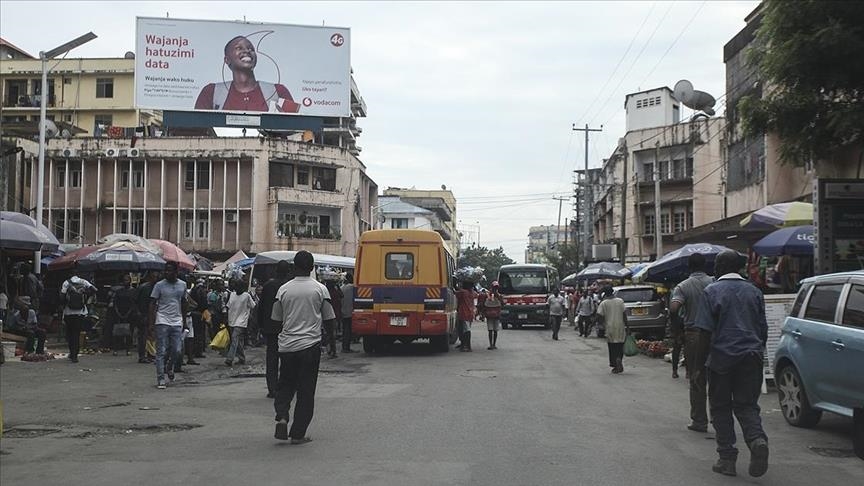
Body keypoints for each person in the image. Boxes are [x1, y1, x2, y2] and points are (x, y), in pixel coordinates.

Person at [694, 250, 769, 478]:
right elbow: (762, 329)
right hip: (751, 357)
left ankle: (727, 458)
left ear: (720, 267)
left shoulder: (711, 292)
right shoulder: (754, 291)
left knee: (720, 407)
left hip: (721, 359)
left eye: (716, 264)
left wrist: (697, 367)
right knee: (747, 405)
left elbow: (704, 332)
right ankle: (757, 440)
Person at [270, 251, 336, 444]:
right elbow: (329, 319)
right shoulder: (320, 289)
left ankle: (282, 416)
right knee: (306, 391)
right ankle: (298, 434)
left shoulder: (283, 290)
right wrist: (332, 343)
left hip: (287, 346)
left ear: (294, 267)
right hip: (310, 346)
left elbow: (276, 320)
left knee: (285, 385)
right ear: (312, 267)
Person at [194, 35, 300, 113]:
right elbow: (198, 129)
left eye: (251, 49)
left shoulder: (278, 91)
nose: (247, 51)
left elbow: (294, 130)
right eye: (239, 48)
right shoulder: (211, 92)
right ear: (227, 60)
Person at [669, 253, 714, 432]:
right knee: (717, 379)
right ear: (705, 266)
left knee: (697, 377)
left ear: (689, 267)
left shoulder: (683, 286)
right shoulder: (715, 283)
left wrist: (677, 330)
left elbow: (674, 308)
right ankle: (719, 419)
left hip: (694, 335)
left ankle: (700, 420)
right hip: (716, 335)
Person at [149, 262, 188, 389]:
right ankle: (161, 378)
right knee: (161, 350)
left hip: (176, 321)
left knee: (177, 350)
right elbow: (152, 303)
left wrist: (184, 320)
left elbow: (184, 302)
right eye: (166, 270)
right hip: (162, 320)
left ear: (176, 272)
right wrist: (151, 323)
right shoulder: (159, 285)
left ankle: (169, 366)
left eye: (170, 270)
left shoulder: (182, 285)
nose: (167, 273)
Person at [260, 260, 292, 398]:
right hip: (287, 328)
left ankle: (272, 388)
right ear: (288, 272)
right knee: (288, 359)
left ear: (275, 271)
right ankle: (286, 387)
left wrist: (261, 326)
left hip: (271, 328)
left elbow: (261, 308)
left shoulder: (268, 286)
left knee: (272, 359)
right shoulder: (289, 287)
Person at [60, 273, 96, 363]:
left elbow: (62, 297)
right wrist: (86, 297)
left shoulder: (66, 283)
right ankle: (75, 355)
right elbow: (95, 289)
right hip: (81, 312)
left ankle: (72, 353)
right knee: (76, 333)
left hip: (68, 312)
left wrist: (64, 305)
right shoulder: (83, 282)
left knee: (70, 333)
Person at [225, 278, 257, 367]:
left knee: (234, 339)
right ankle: (242, 358)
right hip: (231, 320)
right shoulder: (232, 295)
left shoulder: (247, 296)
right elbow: (228, 306)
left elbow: (253, 306)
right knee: (238, 341)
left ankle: (229, 358)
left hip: (241, 322)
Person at [596, 286, 628, 373]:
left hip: (609, 327)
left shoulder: (604, 303)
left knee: (612, 347)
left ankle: (615, 363)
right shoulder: (620, 301)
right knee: (620, 345)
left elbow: (599, 315)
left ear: (605, 294)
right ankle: (619, 360)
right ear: (613, 292)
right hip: (620, 326)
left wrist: (601, 324)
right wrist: (628, 326)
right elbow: (624, 314)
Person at [109, 274, 138, 357]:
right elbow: (115, 303)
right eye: (124, 280)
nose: (126, 282)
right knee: (117, 333)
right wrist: (118, 313)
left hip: (130, 314)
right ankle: (115, 349)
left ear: (130, 281)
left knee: (129, 332)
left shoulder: (133, 291)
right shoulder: (119, 291)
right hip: (119, 314)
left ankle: (128, 349)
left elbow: (134, 304)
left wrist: (128, 313)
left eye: (127, 280)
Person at [136, 271, 159, 363]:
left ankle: (150, 354)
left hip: (152, 315)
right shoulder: (144, 287)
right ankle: (142, 356)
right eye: (154, 277)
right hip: (144, 314)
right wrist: (139, 313)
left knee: (151, 336)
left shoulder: (156, 288)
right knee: (143, 336)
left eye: (156, 277)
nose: (155, 279)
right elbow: (136, 301)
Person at [455, 281, 476, 352]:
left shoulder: (463, 292)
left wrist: (456, 286)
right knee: (464, 329)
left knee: (466, 330)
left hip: (464, 313)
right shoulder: (472, 293)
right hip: (470, 313)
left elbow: (455, 292)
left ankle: (467, 346)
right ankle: (465, 345)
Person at [323, 281, 341, 358]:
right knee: (332, 334)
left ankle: (330, 350)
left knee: (328, 334)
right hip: (334, 315)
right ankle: (332, 351)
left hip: (326, 316)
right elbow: (341, 295)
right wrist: (338, 287)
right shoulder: (335, 293)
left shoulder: (326, 294)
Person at [483, 282, 503, 350]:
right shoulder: (487, 294)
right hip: (490, 315)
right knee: (491, 330)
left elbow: (502, 303)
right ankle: (491, 344)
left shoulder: (499, 295)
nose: (495, 289)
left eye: (496, 287)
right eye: (495, 287)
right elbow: (483, 304)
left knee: (495, 330)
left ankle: (494, 344)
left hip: (496, 315)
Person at [339, 273, 355, 353]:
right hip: (350, 312)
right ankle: (346, 348)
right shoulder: (352, 287)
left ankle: (345, 347)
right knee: (348, 331)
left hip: (343, 312)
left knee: (345, 330)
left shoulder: (341, 288)